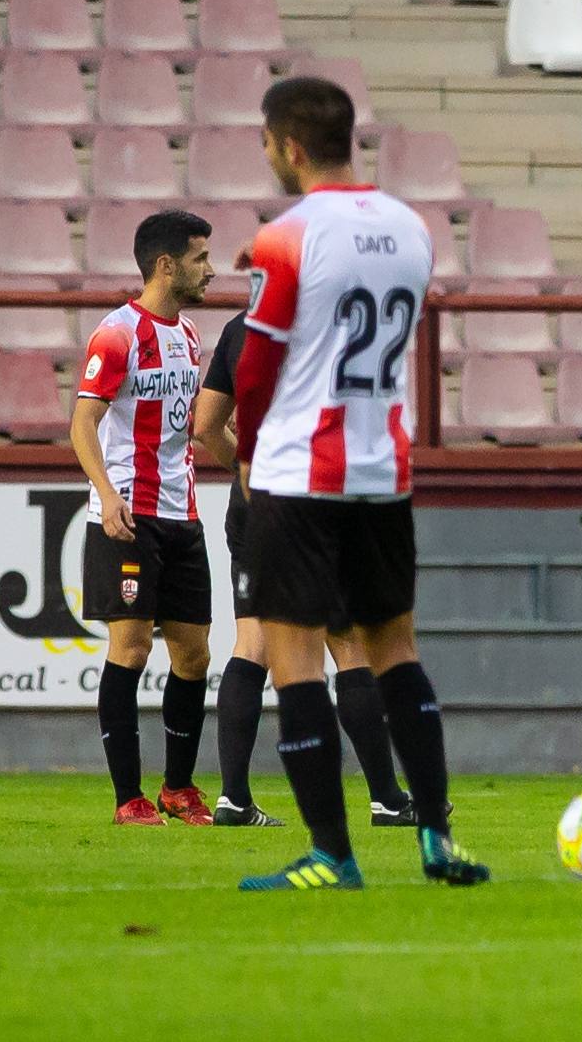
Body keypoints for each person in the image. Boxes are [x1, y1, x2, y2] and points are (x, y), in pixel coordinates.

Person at [232, 76, 487, 889]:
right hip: (383, 469)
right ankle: (437, 839)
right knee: (395, 650)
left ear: (291, 145)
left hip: (299, 470)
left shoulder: (288, 235)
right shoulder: (412, 229)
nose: (268, 155)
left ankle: (333, 854)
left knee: (295, 655)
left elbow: (260, 364)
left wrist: (244, 446)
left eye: (269, 143)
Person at [193, 304, 417, 828]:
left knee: (252, 645)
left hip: (252, 502)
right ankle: (386, 798)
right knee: (347, 644)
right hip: (317, 502)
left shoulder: (241, 327)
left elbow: (206, 424)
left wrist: (246, 468)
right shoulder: (337, 329)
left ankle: (233, 798)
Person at [72, 210, 217, 826]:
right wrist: (106, 495)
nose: (209, 269)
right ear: (167, 265)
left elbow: (194, 424)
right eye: (200, 258)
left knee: (194, 657)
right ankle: (127, 797)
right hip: (129, 516)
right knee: (129, 648)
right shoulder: (116, 333)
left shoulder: (188, 336)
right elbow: (83, 424)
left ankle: (177, 789)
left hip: (183, 514)